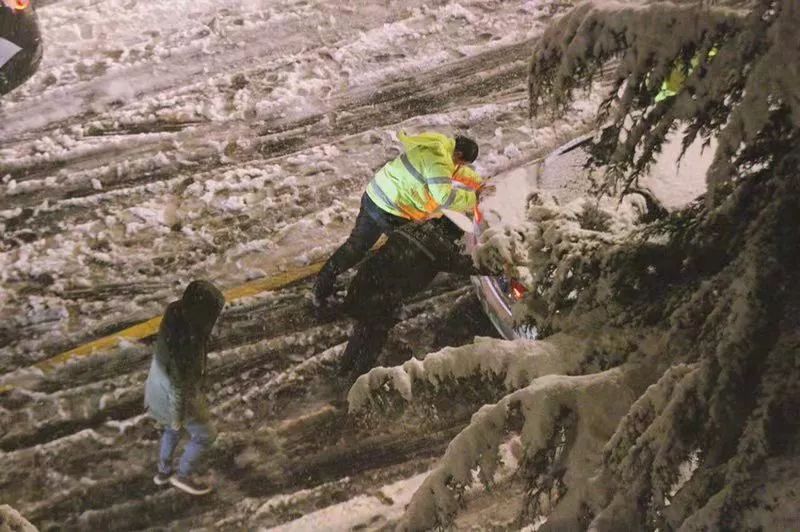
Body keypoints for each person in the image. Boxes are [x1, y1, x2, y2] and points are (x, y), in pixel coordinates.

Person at [313, 131, 483, 305]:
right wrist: (474, 197)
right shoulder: (439, 161)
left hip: (375, 196)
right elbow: (444, 197)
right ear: (458, 154)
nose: (460, 166)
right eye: (462, 162)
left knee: (356, 246)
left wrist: (481, 183)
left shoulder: (439, 149)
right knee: (408, 252)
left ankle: (322, 284)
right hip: (393, 210)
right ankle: (370, 296)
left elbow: (454, 171)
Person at [338, 216, 494, 387]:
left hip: (366, 279)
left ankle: (344, 369)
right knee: (374, 338)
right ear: (454, 233)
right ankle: (357, 381)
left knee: (362, 328)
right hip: (383, 296)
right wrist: (500, 266)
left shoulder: (415, 226)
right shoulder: (439, 248)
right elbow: (469, 266)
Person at [144, 280, 225, 496]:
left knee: (171, 429)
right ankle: (183, 475)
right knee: (205, 436)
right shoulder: (185, 351)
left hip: (156, 388)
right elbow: (178, 388)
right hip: (175, 397)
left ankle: (163, 472)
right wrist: (178, 418)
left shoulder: (176, 315)